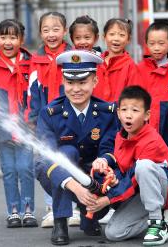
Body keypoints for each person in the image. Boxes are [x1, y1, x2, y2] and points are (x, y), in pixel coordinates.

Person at [35, 50, 119, 245]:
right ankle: (60, 220)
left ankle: (88, 214)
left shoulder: (107, 112)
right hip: (58, 175)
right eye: (70, 83)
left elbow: (109, 146)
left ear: (95, 82)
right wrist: (76, 188)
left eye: (83, 83)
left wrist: (104, 160)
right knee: (66, 154)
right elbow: (47, 156)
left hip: (93, 176)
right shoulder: (50, 113)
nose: (76, 89)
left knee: (109, 172)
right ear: (63, 82)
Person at [90, 85, 168, 246]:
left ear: (147, 115)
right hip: (142, 189)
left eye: (135, 111)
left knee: (144, 166)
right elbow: (124, 169)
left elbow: (134, 176)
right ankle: (162, 216)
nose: (128, 115)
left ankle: (157, 223)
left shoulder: (151, 140)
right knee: (113, 233)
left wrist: (108, 199)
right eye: (124, 110)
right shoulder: (121, 135)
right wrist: (107, 167)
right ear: (118, 112)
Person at [0, 19, 37, 228]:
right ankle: (13, 210)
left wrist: (33, 118)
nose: (8, 41)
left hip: (26, 126)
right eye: (3, 37)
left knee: (25, 168)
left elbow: (35, 93)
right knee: (9, 170)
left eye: (13, 37)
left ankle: (29, 209)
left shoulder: (31, 63)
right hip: (1, 126)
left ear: (21, 40)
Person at [134, 21, 168, 222]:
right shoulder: (140, 69)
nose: (156, 48)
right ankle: (150, 203)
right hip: (149, 123)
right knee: (149, 163)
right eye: (152, 43)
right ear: (146, 44)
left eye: (161, 43)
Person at [68, 15, 115, 225]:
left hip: (101, 117)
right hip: (75, 116)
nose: (83, 41)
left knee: (102, 160)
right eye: (78, 37)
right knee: (72, 159)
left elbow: (108, 89)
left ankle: (107, 204)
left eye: (87, 36)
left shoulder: (102, 63)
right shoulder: (66, 61)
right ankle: (75, 206)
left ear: (96, 37)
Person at [27, 11, 72, 228]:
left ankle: (73, 208)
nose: (51, 34)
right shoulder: (36, 61)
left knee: (71, 159)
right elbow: (33, 92)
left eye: (56, 29)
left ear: (64, 31)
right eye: (46, 30)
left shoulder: (73, 57)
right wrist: (33, 118)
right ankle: (51, 208)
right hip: (46, 123)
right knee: (46, 162)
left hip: (70, 120)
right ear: (40, 33)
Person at [92, 18, 138, 103]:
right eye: (112, 34)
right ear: (104, 37)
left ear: (128, 39)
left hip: (118, 113)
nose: (116, 38)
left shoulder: (130, 66)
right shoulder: (96, 62)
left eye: (122, 35)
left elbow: (133, 95)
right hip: (95, 112)